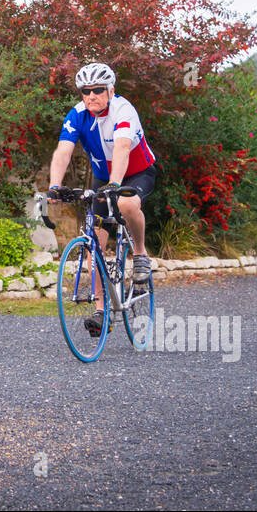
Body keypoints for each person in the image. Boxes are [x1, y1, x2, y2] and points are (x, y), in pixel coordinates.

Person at [46, 62, 159, 337]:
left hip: (136, 173)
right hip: (103, 177)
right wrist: (54, 186)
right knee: (92, 241)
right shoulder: (77, 114)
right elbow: (63, 151)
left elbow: (122, 149)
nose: (91, 95)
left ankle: (141, 254)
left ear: (110, 90)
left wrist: (116, 185)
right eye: (86, 91)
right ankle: (100, 309)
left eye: (98, 90)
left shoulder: (124, 110)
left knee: (126, 204)